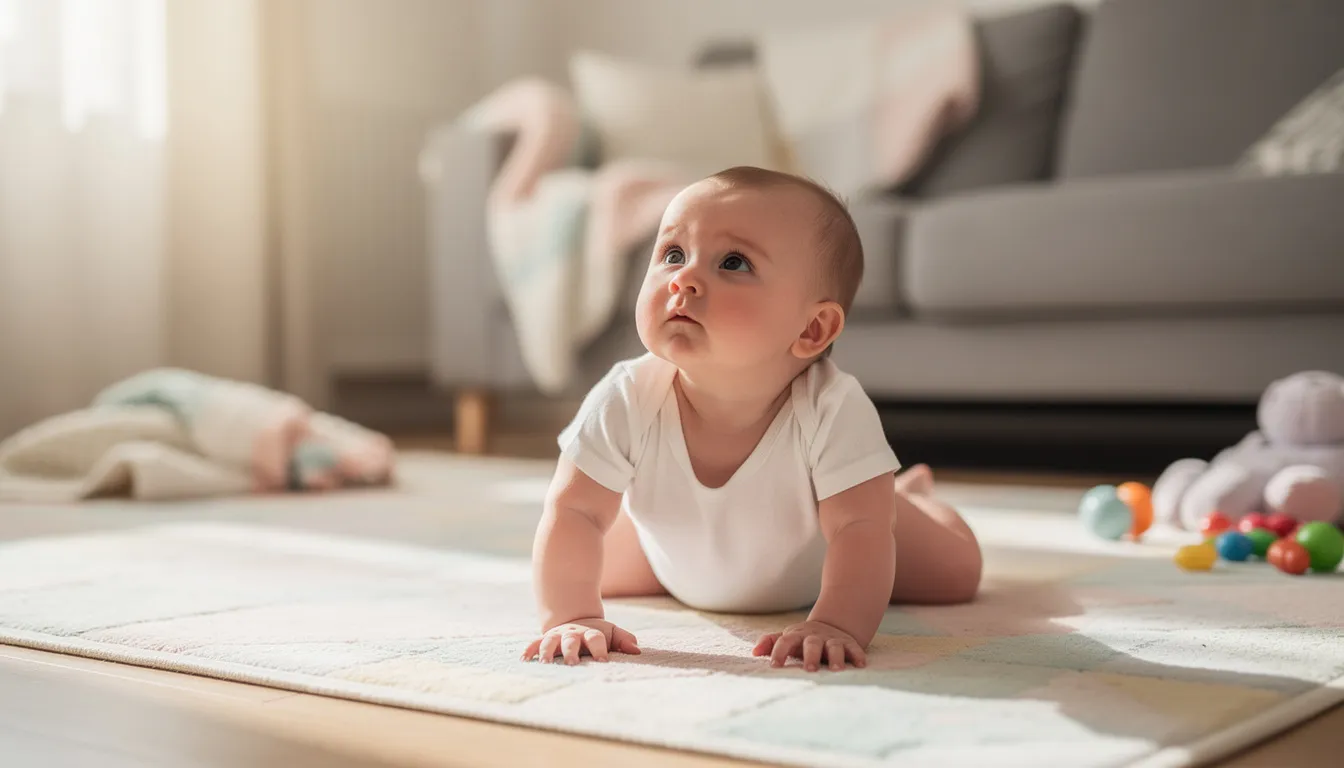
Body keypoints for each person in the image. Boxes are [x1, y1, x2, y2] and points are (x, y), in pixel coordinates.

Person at [521, 166, 983, 672]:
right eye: (673, 254)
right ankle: (871, 486)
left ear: (812, 327)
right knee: (580, 562)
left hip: (816, 562)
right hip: (675, 556)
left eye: (733, 262)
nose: (684, 279)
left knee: (957, 572)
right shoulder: (626, 396)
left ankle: (903, 496)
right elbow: (574, 512)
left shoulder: (831, 407)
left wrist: (835, 622)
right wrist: (572, 616)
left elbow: (859, 530)